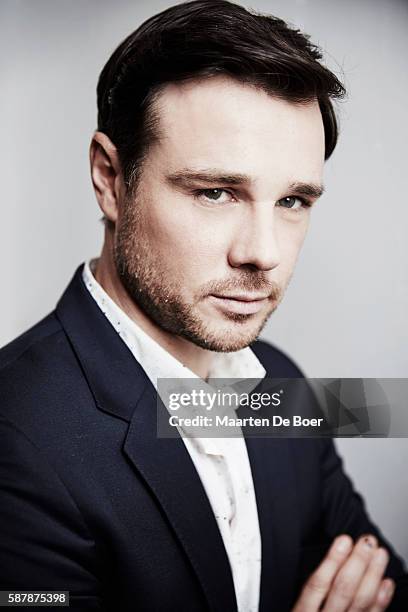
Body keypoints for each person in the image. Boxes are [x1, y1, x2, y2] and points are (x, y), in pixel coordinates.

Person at [0, 1, 407, 610]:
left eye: (293, 201)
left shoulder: (282, 384)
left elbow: (380, 584)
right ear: (111, 179)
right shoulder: (14, 435)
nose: (262, 253)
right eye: (216, 192)